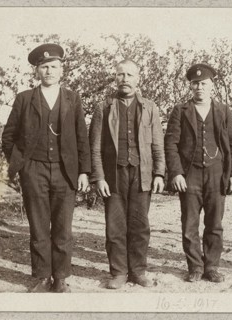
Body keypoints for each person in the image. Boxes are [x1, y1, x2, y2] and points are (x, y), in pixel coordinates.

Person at [1, 43, 91, 293]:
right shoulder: (24, 98)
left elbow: (81, 137)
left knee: (63, 226)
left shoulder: (72, 98)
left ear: (62, 70)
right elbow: (8, 137)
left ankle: (61, 277)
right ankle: (42, 276)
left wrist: (84, 171)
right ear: (37, 71)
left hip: (65, 172)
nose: (49, 71)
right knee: (39, 226)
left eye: (53, 66)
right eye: (44, 67)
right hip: (34, 171)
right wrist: (22, 165)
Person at [89, 59, 165, 289]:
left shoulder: (150, 107)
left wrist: (159, 173)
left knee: (140, 226)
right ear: (115, 78)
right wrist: (99, 177)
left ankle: (138, 271)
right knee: (115, 226)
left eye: (130, 75)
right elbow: (95, 147)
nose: (125, 79)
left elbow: (158, 145)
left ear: (138, 79)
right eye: (120, 75)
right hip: (113, 175)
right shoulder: (104, 107)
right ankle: (119, 272)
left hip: (142, 175)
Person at [164, 63, 232, 283]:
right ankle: (195, 267)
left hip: (216, 175)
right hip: (189, 176)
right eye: (195, 84)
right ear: (190, 87)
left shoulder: (223, 111)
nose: (200, 87)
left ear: (212, 86)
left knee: (215, 223)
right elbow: (170, 144)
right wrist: (176, 173)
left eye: (204, 84)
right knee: (189, 224)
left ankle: (212, 267)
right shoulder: (180, 110)